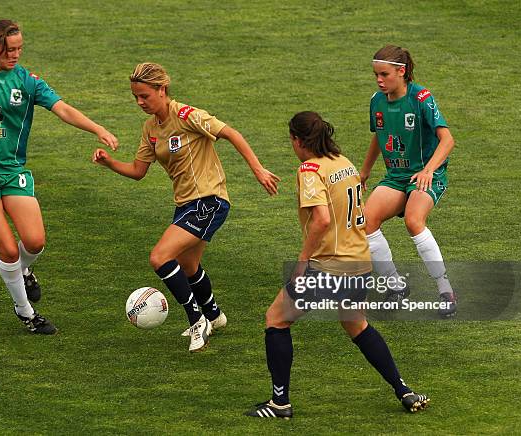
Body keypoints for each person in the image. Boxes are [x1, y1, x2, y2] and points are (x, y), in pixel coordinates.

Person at [246, 111, 428, 419]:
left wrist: (303, 262)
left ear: (297, 140)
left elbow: (322, 220)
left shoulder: (310, 170)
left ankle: (280, 403)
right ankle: (404, 390)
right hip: (360, 263)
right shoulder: (344, 163)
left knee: (276, 319)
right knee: (356, 324)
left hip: (329, 267)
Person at [0, 19, 118, 334]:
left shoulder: (26, 81)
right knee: (8, 250)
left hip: (11, 171)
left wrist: (97, 128)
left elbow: (62, 109)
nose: (17, 55)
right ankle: (26, 313)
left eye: (20, 48)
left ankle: (22, 271)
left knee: (34, 242)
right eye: (11, 49)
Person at [93, 62, 280, 352]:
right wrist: (108, 163)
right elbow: (138, 170)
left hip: (209, 200)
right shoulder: (151, 129)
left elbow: (231, 133)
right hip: (185, 205)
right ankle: (215, 316)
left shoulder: (187, 115)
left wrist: (258, 169)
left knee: (160, 257)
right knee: (187, 265)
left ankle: (197, 320)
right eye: (136, 98)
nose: (140, 102)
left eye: (145, 96)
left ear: (161, 89)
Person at [359, 44, 457, 317]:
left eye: (384, 74)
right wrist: (365, 171)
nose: (379, 80)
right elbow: (379, 135)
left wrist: (427, 171)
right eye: (376, 74)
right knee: (365, 221)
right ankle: (396, 286)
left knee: (414, 221)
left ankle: (446, 290)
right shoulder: (376, 101)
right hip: (396, 177)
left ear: (401, 72)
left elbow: (447, 140)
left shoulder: (421, 98)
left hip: (427, 175)